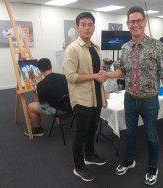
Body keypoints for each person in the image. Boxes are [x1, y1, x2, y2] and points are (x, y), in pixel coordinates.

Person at [98, 6, 163, 186]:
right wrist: (108, 74)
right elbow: (123, 71)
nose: (135, 24)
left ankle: (152, 167)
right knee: (130, 134)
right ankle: (129, 160)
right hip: (130, 99)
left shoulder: (157, 46)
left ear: (144, 23)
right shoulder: (125, 48)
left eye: (139, 20)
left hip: (149, 101)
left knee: (151, 136)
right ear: (128, 24)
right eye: (132, 21)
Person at [63, 12, 107, 182]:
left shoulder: (95, 48)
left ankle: (90, 155)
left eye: (90, 24)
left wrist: (103, 95)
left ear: (94, 27)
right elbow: (71, 76)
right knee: (81, 133)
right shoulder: (72, 49)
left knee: (92, 129)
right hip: (81, 99)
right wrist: (94, 75)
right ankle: (79, 166)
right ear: (77, 27)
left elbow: (100, 76)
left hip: (96, 96)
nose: (87, 28)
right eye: (83, 24)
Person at [25, 58, 71, 136]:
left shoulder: (41, 84)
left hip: (60, 110)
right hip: (72, 107)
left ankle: (38, 130)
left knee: (30, 106)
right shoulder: (63, 77)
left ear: (39, 70)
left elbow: (41, 101)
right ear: (51, 66)